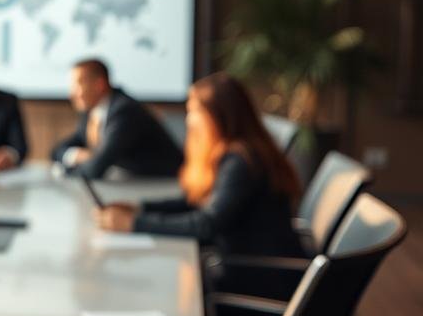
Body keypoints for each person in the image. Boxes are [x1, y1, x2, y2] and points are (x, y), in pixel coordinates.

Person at [94, 72, 304, 259]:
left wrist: (134, 224)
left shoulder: (240, 162)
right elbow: (198, 202)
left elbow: (207, 224)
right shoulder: (238, 152)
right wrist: (140, 208)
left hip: (257, 274)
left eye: (195, 111)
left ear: (219, 116)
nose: (189, 121)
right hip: (244, 259)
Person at [51, 59, 183, 178]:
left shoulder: (125, 111)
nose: (71, 93)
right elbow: (57, 151)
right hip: (128, 183)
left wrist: (63, 171)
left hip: (162, 185)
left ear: (99, 85)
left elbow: (96, 168)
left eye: (78, 85)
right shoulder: (92, 111)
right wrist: (75, 155)